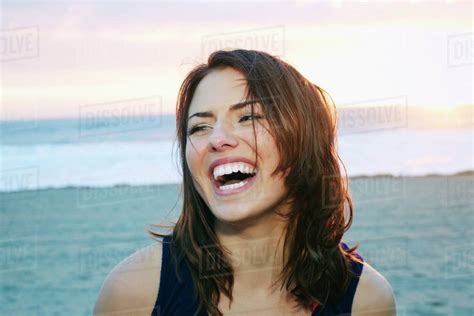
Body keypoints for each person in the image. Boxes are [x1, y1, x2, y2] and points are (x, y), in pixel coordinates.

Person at [93, 49, 396, 316]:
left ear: (305, 138)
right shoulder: (134, 291)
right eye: (199, 126)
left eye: (249, 117)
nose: (217, 139)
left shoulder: (366, 299)